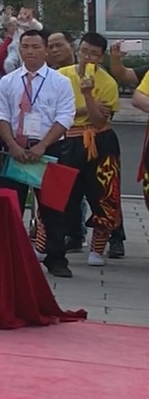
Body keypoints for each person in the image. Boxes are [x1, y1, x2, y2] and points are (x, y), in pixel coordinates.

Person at [0, 29, 76, 277]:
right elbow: (0, 114)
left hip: (49, 149)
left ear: (46, 50)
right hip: (14, 149)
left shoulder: (60, 82)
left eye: (35, 47)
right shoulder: (8, 81)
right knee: (12, 206)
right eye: (25, 47)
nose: (29, 51)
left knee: (53, 207)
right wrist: (12, 145)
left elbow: (65, 117)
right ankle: (11, 257)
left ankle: (56, 258)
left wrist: (43, 146)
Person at [54, 30, 123, 265]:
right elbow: (56, 113)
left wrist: (87, 95)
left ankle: (98, 249)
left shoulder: (108, 83)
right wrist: (84, 109)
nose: (87, 57)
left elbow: (99, 121)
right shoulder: (61, 76)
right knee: (58, 194)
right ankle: (48, 244)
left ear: (101, 57)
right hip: (68, 139)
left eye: (93, 54)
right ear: (77, 50)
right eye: (84, 51)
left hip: (100, 140)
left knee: (104, 195)